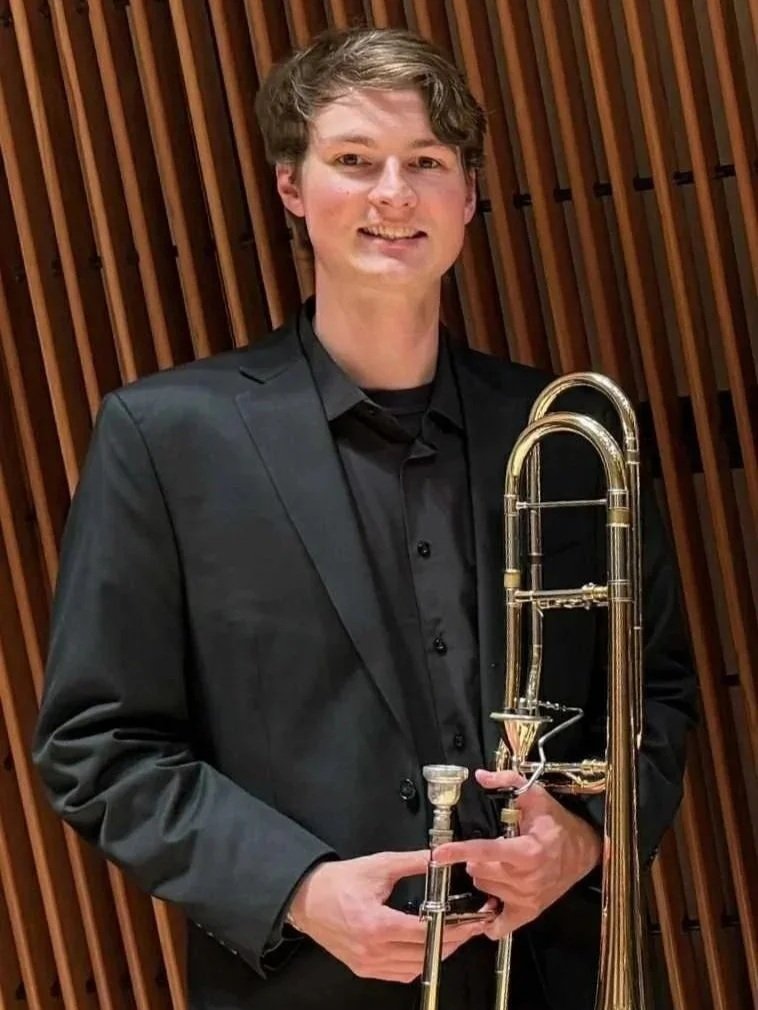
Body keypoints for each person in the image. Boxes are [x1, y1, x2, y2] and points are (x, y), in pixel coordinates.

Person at [32, 27, 697, 1010]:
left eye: (426, 161)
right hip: (305, 982)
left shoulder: (567, 430)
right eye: (353, 161)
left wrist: (592, 838)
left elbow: (658, 687)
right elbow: (98, 741)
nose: (393, 193)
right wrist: (295, 889)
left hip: (554, 973)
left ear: (467, 196)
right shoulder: (166, 436)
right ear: (291, 189)